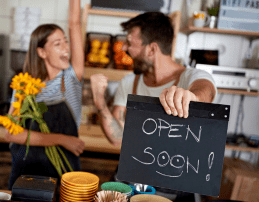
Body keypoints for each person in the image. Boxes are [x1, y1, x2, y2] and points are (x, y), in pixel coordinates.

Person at [91, 12, 217, 147]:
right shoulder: (129, 82)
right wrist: (100, 102)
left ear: (152, 49)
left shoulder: (191, 77)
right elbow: (117, 138)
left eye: (129, 42)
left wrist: (194, 98)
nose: (123, 48)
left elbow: (206, 90)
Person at [5, 0, 85, 190]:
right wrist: (62, 139)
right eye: (58, 44)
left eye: (66, 41)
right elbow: (11, 133)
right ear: (41, 52)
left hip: (63, 178)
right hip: (25, 176)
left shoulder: (72, 79)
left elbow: (74, 23)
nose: (66, 48)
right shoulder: (23, 85)